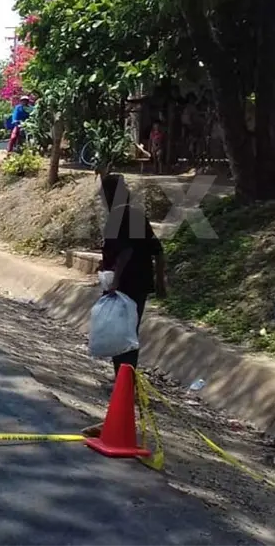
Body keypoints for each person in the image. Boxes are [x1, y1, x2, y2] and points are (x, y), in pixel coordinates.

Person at [82, 173, 167, 437]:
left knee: (123, 345)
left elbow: (127, 252)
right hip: (138, 287)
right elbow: (158, 249)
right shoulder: (135, 214)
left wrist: (115, 281)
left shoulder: (119, 217)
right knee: (126, 341)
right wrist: (161, 281)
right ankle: (123, 401)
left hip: (127, 289)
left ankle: (122, 410)